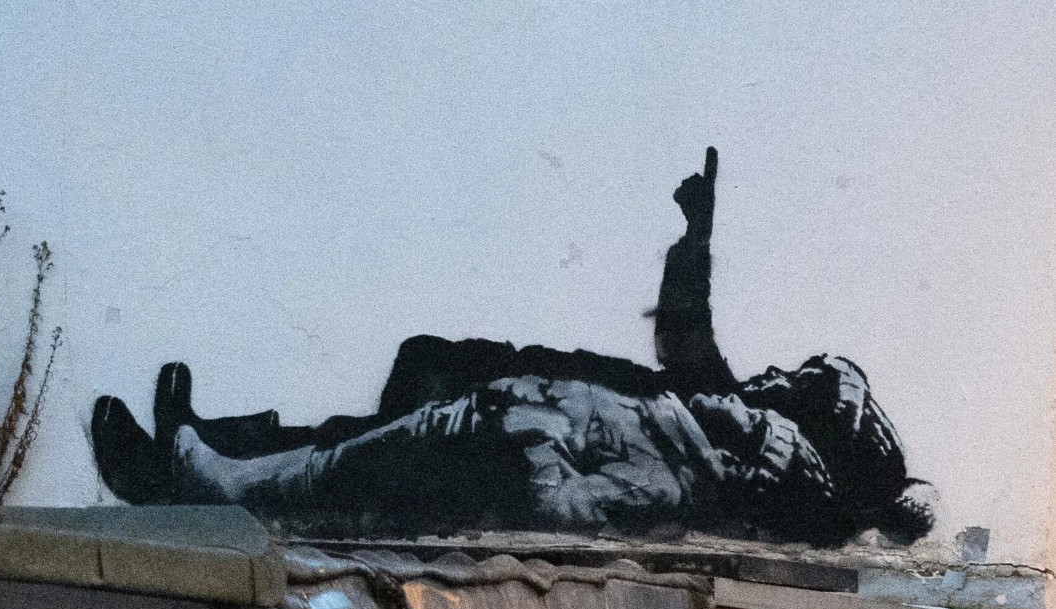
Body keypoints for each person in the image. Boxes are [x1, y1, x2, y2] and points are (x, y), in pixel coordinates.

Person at [91, 148, 935, 546]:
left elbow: (687, 361)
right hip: (584, 410)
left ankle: (195, 471)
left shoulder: (782, 460)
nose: (782, 373)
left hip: (587, 433)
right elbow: (690, 351)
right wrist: (694, 240)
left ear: (827, 421)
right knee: (425, 367)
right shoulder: (762, 427)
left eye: (800, 380)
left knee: (414, 422)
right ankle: (217, 450)